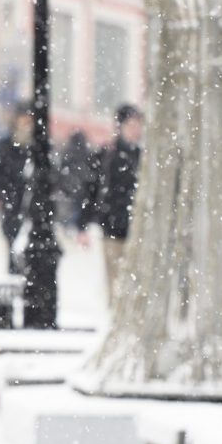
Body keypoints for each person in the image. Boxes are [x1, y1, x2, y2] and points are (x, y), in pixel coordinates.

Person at [76, 104, 144, 301]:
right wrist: (83, 225)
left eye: (138, 125)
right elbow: (91, 191)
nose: (135, 130)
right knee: (115, 279)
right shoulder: (107, 156)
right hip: (113, 229)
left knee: (135, 281)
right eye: (131, 125)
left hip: (137, 229)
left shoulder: (143, 157)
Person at [0, 101, 34, 274]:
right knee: (13, 244)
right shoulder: (6, 146)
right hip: (12, 203)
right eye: (23, 119)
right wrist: (4, 195)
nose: (26, 123)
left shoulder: (37, 147)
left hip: (31, 206)